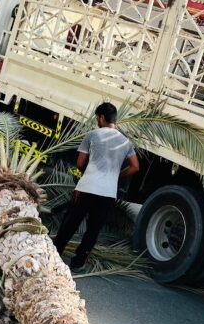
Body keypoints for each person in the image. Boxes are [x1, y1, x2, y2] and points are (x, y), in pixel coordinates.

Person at [54, 102, 140, 271]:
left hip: (87, 187)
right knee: (93, 230)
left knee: (70, 223)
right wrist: (117, 175)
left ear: (101, 118)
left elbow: (80, 163)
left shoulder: (92, 135)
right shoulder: (125, 142)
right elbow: (135, 167)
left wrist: (89, 173)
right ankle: (78, 263)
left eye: (97, 118)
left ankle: (55, 254)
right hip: (108, 193)